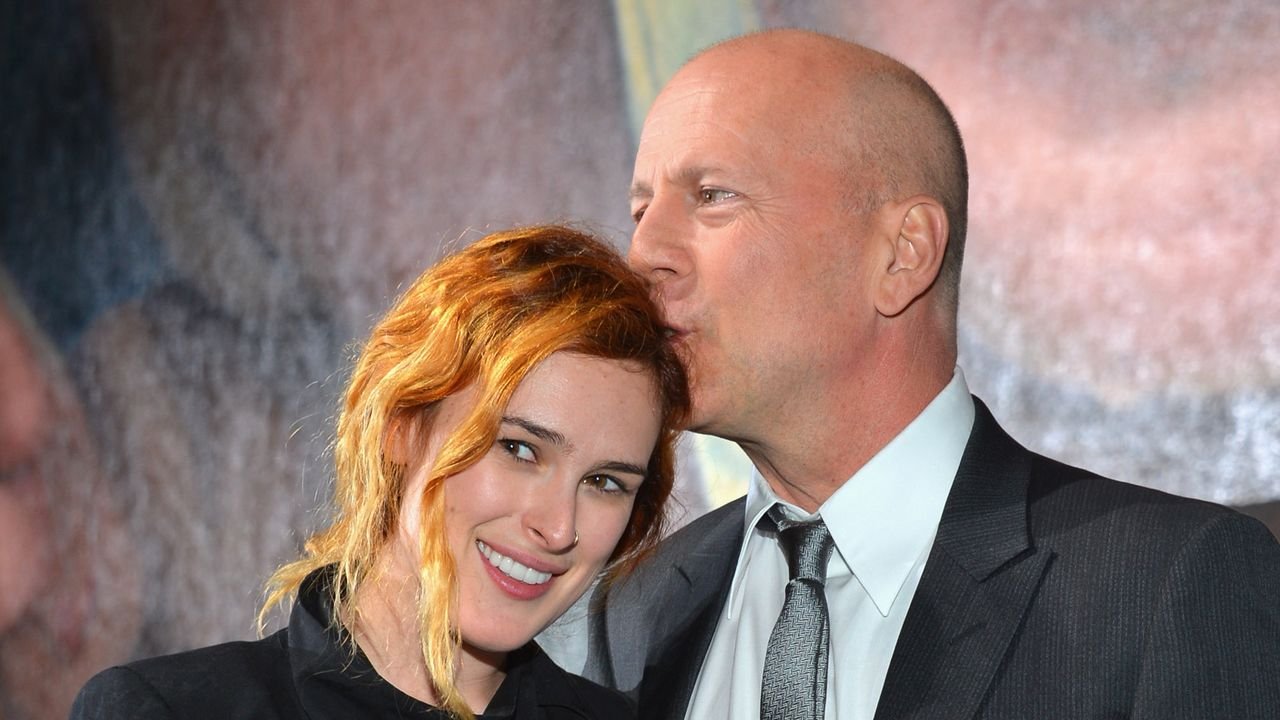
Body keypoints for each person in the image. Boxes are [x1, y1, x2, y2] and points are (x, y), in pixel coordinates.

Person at [585, 29, 1280, 720]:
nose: (642, 254)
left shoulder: (1165, 588)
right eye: (641, 211)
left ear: (903, 254)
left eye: (712, 195)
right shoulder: (633, 613)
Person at [70, 224, 690, 719]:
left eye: (605, 483)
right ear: (403, 424)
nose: (559, 528)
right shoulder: (169, 709)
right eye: (519, 449)